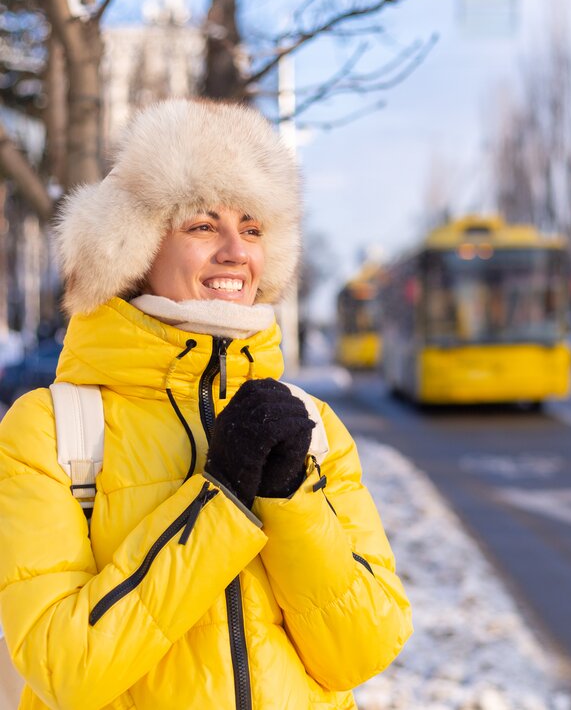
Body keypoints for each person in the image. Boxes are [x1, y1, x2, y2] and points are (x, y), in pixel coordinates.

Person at [0, 99, 412, 710]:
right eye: (201, 225)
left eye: (252, 228)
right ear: (133, 250)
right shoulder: (52, 432)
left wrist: (290, 498)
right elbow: (66, 667)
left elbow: (364, 650)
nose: (234, 251)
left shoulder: (312, 425)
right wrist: (219, 502)